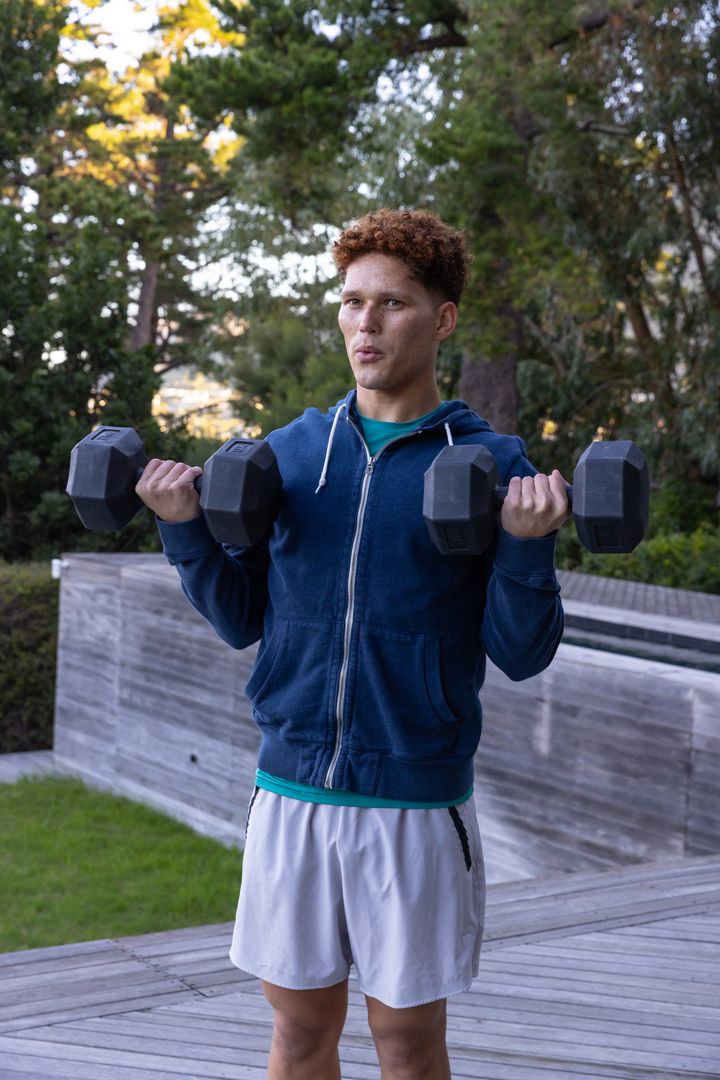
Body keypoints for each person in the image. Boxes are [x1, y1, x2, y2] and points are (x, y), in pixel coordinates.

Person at [136, 208, 569, 1080]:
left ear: (441, 318)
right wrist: (184, 529)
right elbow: (239, 619)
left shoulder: (493, 465)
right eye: (352, 302)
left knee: (408, 1047)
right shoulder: (292, 455)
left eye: (392, 305)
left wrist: (527, 544)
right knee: (298, 1037)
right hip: (290, 791)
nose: (364, 326)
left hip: (413, 801)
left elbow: (521, 653)